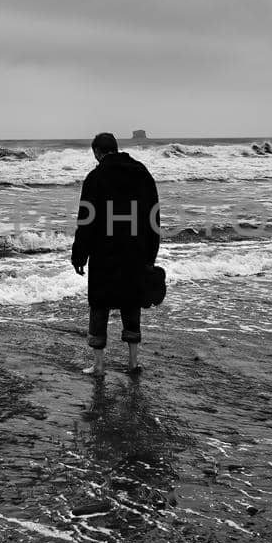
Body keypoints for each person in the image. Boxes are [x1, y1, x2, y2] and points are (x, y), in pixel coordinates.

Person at [72, 132, 161, 377]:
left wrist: (79, 255)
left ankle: (99, 366)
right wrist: (151, 253)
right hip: (136, 250)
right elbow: (154, 216)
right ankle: (133, 362)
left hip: (104, 252)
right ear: (116, 148)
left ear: (98, 153)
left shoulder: (95, 177)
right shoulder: (142, 173)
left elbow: (86, 221)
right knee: (131, 302)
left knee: (99, 304)